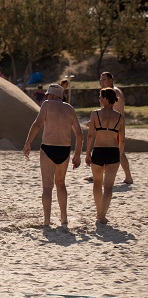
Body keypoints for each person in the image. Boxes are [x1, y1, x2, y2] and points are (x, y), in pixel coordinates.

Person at [23, 83, 83, 226]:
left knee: (47, 187)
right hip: (64, 149)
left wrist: (28, 142)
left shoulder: (47, 104)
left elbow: (37, 124)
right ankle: (64, 218)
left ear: (50, 95)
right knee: (61, 184)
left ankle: (47, 220)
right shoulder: (70, 109)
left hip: (48, 148)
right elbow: (79, 134)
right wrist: (78, 155)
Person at [84, 87, 125, 223]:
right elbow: (122, 139)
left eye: (100, 97)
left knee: (97, 183)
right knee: (108, 187)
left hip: (99, 150)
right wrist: (119, 153)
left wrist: (88, 152)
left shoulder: (95, 114)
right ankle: (102, 215)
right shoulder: (120, 117)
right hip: (113, 151)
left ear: (106, 99)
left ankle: (98, 213)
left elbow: (90, 135)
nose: (99, 99)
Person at [99, 72, 133, 184]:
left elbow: (116, 113)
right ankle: (98, 174)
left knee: (119, 152)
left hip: (115, 128)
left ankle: (128, 177)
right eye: (101, 79)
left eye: (104, 79)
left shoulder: (115, 93)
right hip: (110, 127)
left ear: (110, 80)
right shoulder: (107, 93)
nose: (101, 81)